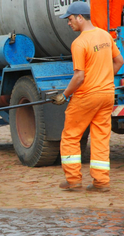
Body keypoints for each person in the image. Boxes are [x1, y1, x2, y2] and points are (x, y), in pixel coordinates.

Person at [51, 2, 124, 192]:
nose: (69, 23)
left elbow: (79, 76)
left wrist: (64, 95)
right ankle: (101, 182)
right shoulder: (105, 35)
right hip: (107, 95)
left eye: (70, 19)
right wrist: (106, 78)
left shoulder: (79, 43)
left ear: (80, 17)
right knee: (100, 137)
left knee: (70, 136)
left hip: (86, 96)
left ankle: (73, 180)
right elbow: (119, 61)